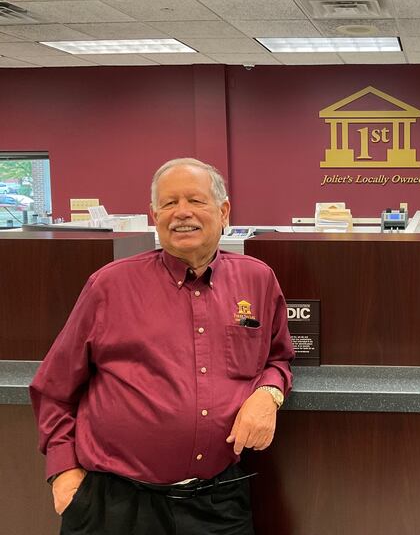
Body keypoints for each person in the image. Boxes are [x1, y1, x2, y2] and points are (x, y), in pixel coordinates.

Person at [30, 158, 294, 535]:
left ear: (223, 212)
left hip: (217, 503)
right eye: (169, 204)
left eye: (195, 201)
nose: (181, 213)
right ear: (154, 216)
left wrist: (268, 394)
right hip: (116, 505)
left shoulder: (258, 280)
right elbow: (53, 388)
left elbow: (278, 356)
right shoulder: (110, 286)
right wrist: (64, 474)